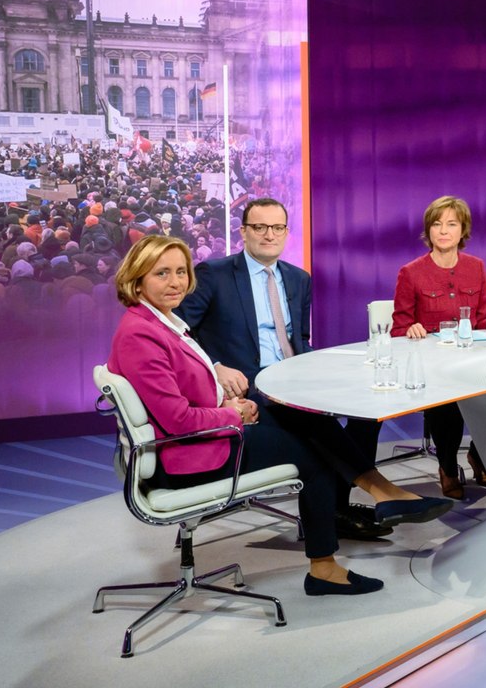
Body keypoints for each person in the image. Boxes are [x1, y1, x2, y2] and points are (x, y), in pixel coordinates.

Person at [108, 235, 430, 596]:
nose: (176, 282)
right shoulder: (141, 335)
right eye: (162, 273)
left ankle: (384, 492)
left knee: (307, 418)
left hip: (205, 433)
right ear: (137, 280)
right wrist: (230, 414)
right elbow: (178, 420)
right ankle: (324, 568)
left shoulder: (162, 323)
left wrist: (231, 405)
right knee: (311, 457)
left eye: (181, 272)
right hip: (188, 454)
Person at [176, 198, 447, 541]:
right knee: (313, 421)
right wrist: (215, 366)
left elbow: (299, 339)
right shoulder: (214, 274)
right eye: (259, 227)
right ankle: (380, 494)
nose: (269, 235)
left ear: (287, 233)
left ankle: (339, 506)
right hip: (252, 385)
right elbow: (180, 332)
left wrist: (329, 367)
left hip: (296, 376)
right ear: (243, 232)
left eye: (277, 228)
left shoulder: (298, 279)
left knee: (366, 411)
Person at [392, 196, 486, 499]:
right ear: (428, 231)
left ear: (462, 230)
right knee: (448, 406)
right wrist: (411, 329)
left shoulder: (477, 267)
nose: (443, 231)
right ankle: (447, 466)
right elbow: (398, 328)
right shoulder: (411, 272)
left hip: (472, 361)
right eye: (437, 224)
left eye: (451, 224)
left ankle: (478, 456)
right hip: (435, 367)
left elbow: (481, 318)